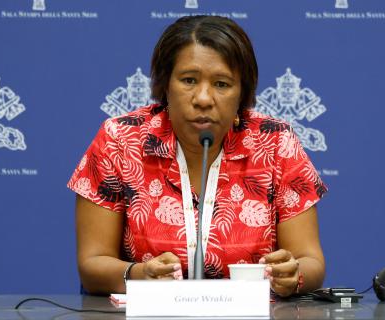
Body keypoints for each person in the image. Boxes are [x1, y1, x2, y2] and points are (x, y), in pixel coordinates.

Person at [68, 15, 327, 297]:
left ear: (242, 94)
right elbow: (92, 264)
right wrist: (140, 275)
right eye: (189, 80)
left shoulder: (276, 143)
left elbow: (310, 260)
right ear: (165, 85)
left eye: (222, 84)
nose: (203, 98)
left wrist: (293, 273)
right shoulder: (120, 140)